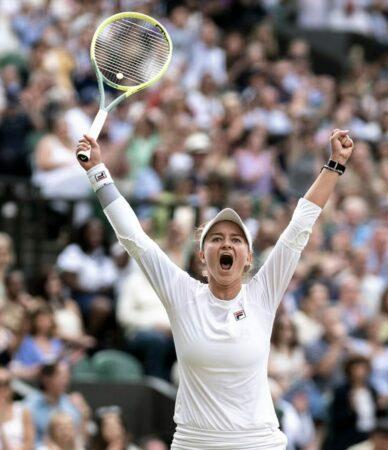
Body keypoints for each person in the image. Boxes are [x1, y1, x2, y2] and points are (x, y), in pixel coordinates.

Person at [76, 128, 354, 450]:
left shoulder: (262, 294)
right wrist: (98, 171)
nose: (227, 244)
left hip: (258, 443)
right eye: (217, 239)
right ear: (202, 256)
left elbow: (300, 226)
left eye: (237, 239)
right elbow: (134, 239)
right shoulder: (182, 294)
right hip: (194, 443)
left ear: (248, 258)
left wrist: (335, 163)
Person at [0, 367, 35, 450]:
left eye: (7, 383)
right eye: (0, 384)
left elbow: (29, 444)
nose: (3, 388)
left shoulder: (22, 410)